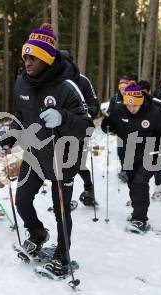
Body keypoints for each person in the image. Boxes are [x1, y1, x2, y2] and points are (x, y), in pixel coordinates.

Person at [0, 23, 93, 276]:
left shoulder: (67, 87)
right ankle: (38, 233)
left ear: (47, 59)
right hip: (36, 153)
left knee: (61, 208)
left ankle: (63, 253)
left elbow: (86, 125)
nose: (28, 62)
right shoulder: (22, 83)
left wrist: (63, 117)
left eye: (34, 58)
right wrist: (12, 134)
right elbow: (21, 115)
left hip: (64, 155)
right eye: (26, 57)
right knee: (22, 200)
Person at [101, 83, 161, 233]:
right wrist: (106, 123)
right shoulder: (120, 109)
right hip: (130, 151)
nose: (131, 109)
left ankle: (140, 220)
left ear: (141, 101)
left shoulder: (155, 112)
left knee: (140, 182)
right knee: (132, 183)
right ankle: (136, 212)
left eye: (135, 106)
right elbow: (112, 127)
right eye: (129, 106)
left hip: (151, 152)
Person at [61, 50, 100, 206]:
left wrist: (88, 115)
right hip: (59, 130)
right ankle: (64, 200)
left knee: (76, 164)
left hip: (79, 129)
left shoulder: (82, 81)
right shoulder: (52, 81)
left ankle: (88, 188)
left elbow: (94, 104)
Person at [107, 76, 130, 183]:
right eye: (121, 88)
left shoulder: (132, 97)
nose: (123, 90)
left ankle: (127, 170)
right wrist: (108, 123)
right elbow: (110, 112)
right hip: (119, 129)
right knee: (121, 151)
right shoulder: (115, 98)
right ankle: (124, 168)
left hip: (131, 129)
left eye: (125, 88)